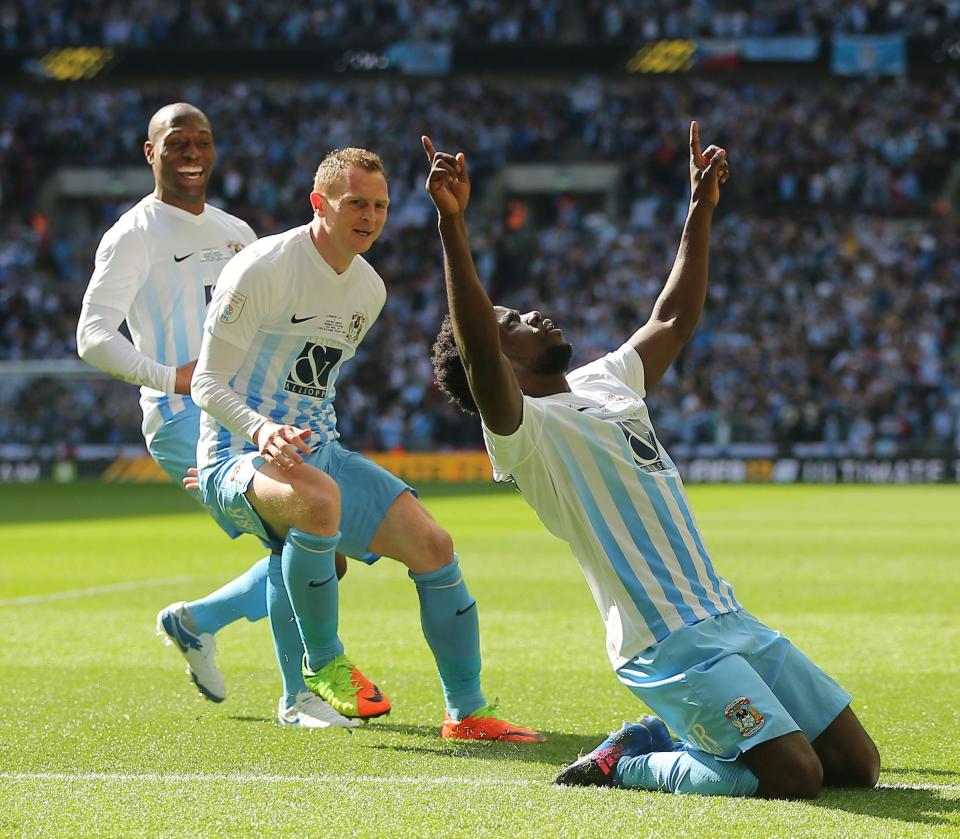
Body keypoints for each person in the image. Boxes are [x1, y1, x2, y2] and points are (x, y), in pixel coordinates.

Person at [423, 125, 881, 796]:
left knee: (856, 766)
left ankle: (659, 731)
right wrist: (451, 226)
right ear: (497, 359)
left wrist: (700, 206)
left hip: (730, 619)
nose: (534, 315)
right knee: (793, 776)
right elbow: (478, 349)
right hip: (664, 644)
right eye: (513, 320)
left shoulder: (609, 379)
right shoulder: (524, 432)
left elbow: (672, 317)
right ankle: (629, 761)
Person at [190, 146, 544, 741]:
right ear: (319, 203)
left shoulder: (369, 290)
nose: (370, 216)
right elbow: (205, 381)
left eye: (379, 205)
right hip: (237, 454)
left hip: (316, 453)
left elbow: (312, 383)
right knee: (320, 500)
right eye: (356, 202)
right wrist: (261, 432)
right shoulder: (262, 268)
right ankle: (321, 662)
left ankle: (467, 712)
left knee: (435, 545)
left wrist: (300, 439)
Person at [77, 102, 352, 730]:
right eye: (176, 142)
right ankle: (298, 697)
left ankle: (196, 621)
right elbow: (92, 335)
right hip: (182, 416)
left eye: (201, 141)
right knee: (299, 536)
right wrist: (168, 375)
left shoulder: (236, 233)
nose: (191, 152)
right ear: (151, 153)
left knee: (322, 556)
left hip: (247, 413)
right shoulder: (134, 234)